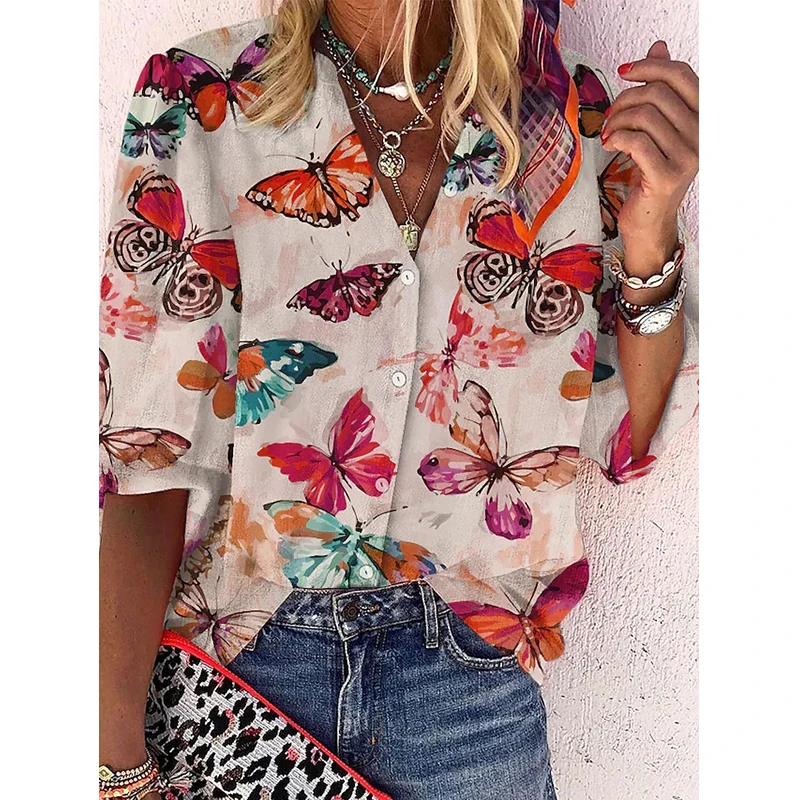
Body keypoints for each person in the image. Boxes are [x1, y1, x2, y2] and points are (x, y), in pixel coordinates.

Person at [99, 0, 699, 797]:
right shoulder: (202, 98)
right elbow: (147, 461)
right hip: (245, 674)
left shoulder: (574, 122)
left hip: (471, 692)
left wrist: (653, 229)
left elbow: (627, 437)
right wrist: (114, 760)